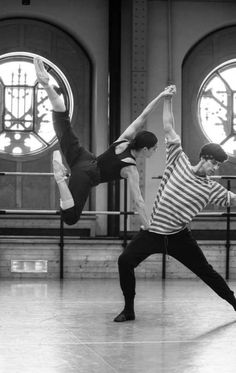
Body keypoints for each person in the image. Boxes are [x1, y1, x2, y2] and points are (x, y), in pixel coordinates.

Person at [114, 84, 236, 322]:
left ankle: (234, 303)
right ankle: (129, 309)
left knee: (206, 272)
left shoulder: (211, 189)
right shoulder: (177, 160)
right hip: (153, 231)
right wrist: (167, 99)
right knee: (124, 260)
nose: (215, 169)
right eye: (214, 164)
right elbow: (168, 127)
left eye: (218, 167)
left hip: (179, 237)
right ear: (205, 158)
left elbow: (233, 200)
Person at [34, 57, 168, 227]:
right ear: (145, 149)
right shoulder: (131, 169)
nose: (155, 151)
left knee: (62, 121)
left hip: (83, 157)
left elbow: (143, 115)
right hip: (86, 175)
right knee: (70, 218)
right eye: (154, 148)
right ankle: (60, 178)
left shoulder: (124, 140)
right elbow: (139, 201)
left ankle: (46, 85)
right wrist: (148, 226)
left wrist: (161, 95)